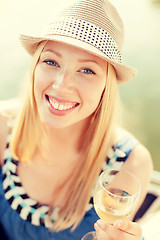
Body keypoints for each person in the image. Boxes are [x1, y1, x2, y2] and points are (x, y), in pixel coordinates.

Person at [0, 0, 153, 239]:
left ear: (106, 86)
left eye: (87, 70)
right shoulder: (3, 127)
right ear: (35, 66)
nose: (61, 86)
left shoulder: (129, 163)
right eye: (51, 62)